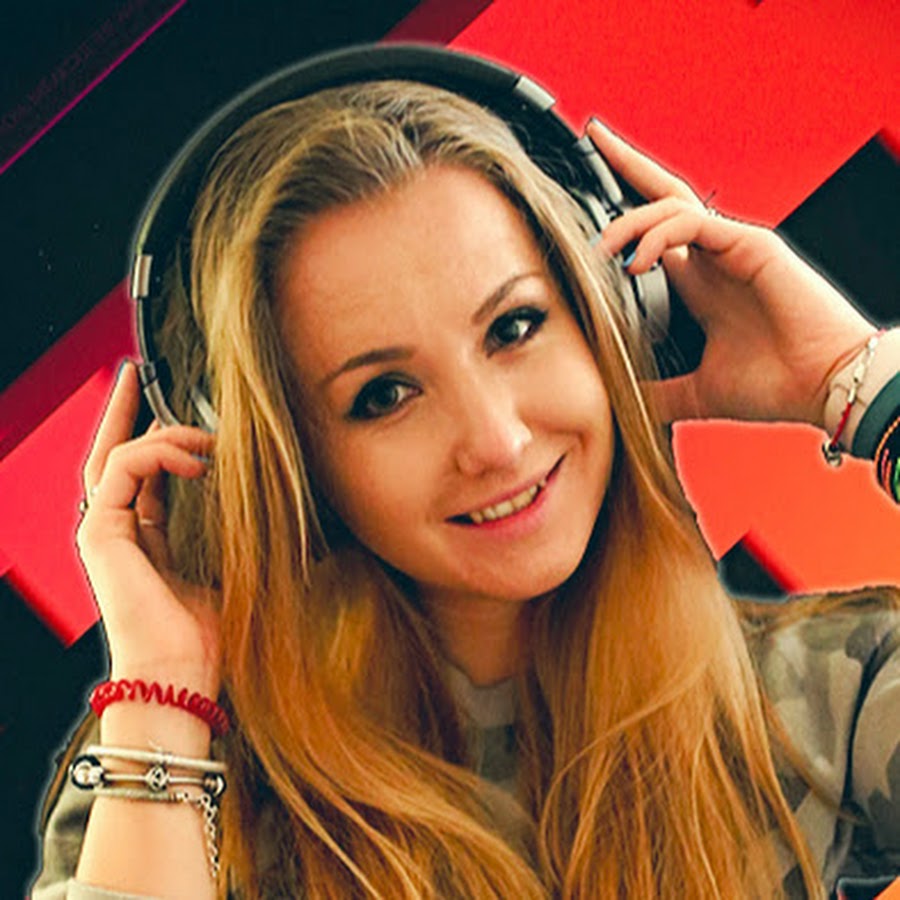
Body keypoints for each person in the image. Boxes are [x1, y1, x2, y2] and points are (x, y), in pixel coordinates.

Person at [32, 76, 900, 899]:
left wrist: (861, 383)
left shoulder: (822, 698)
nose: (497, 441)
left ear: (618, 315)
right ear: (290, 462)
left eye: (514, 327)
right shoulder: (177, 763)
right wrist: (164, 686)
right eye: (384, 395)